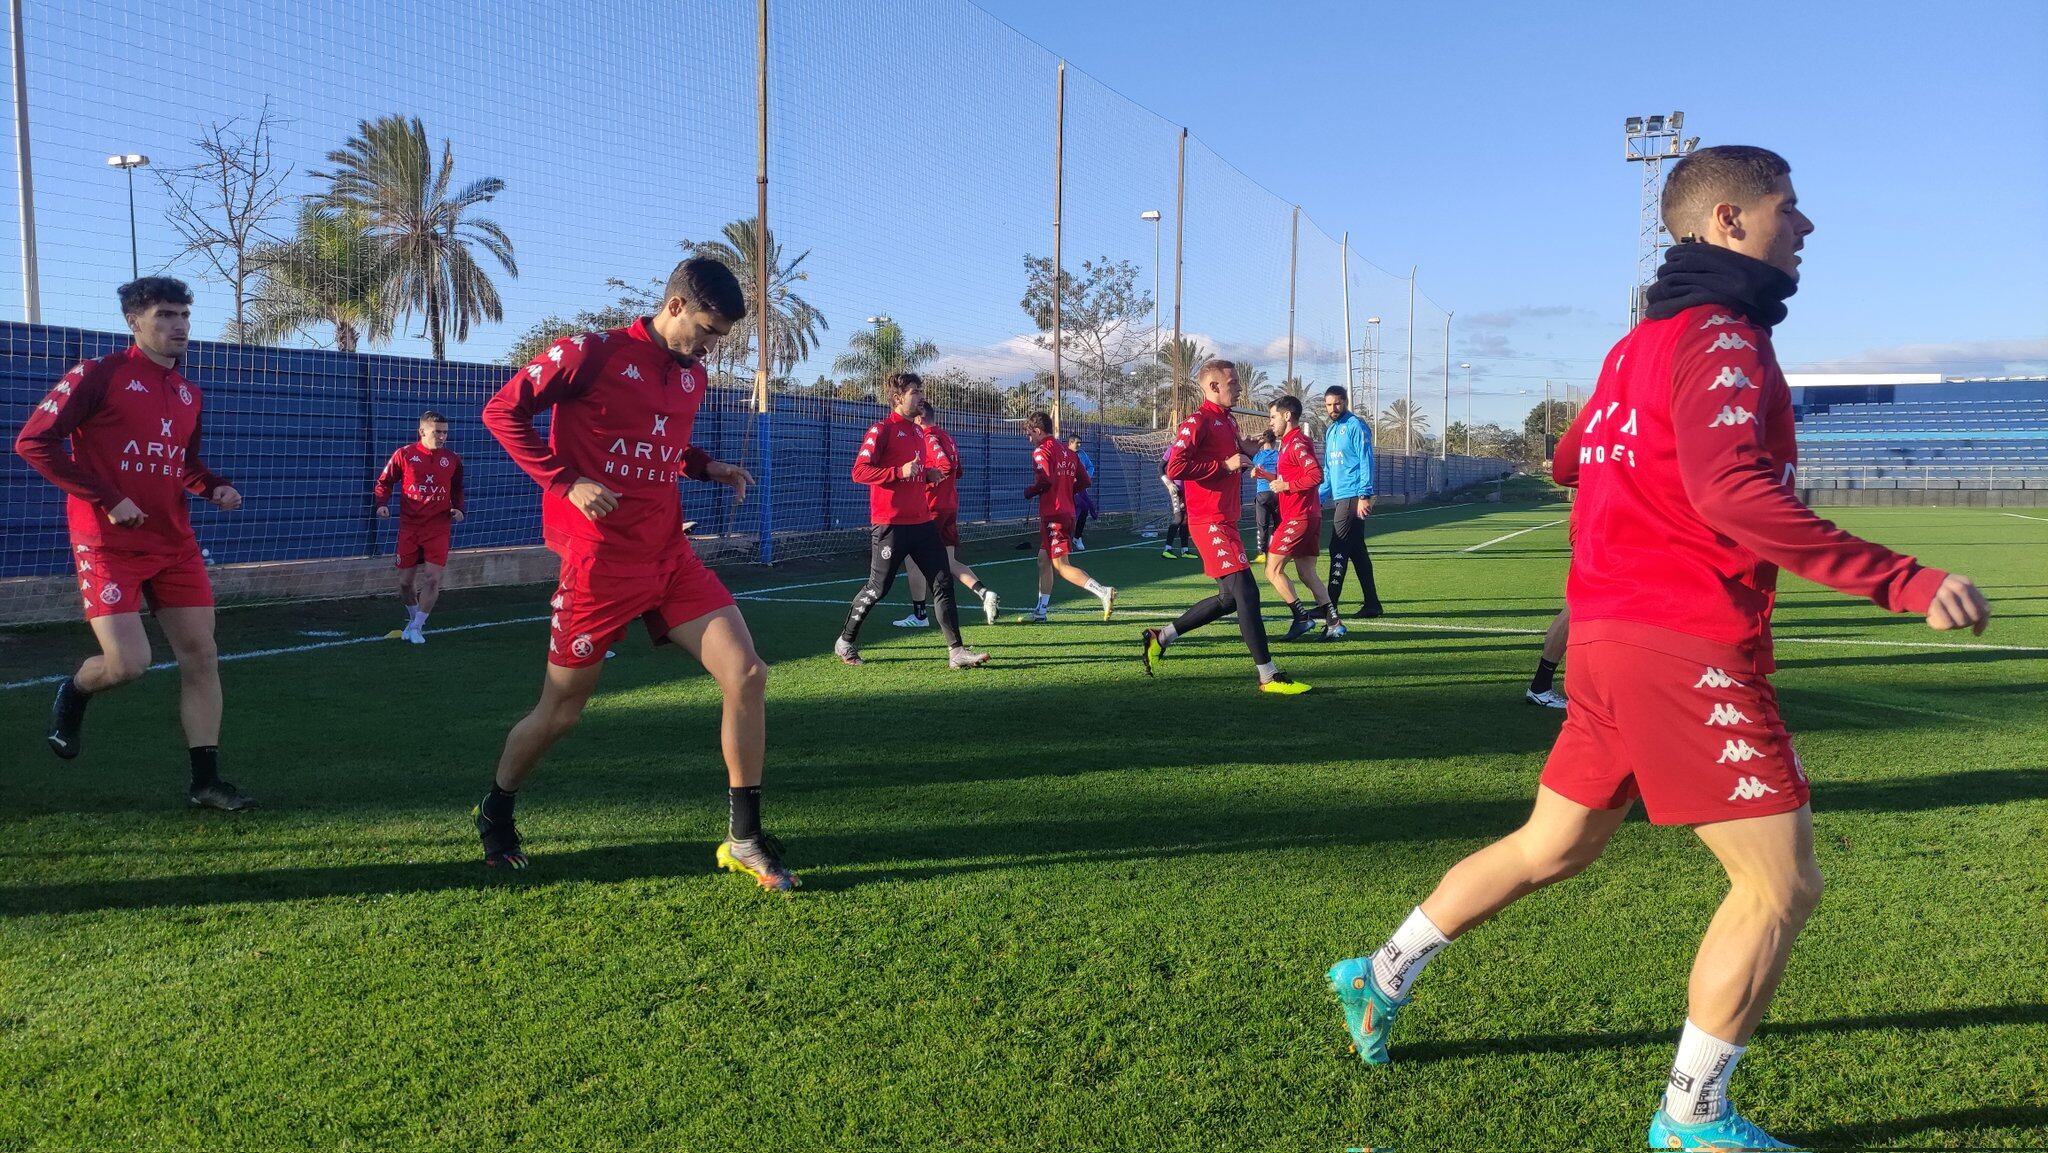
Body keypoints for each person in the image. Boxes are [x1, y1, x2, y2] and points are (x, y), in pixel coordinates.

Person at [1324, 145, 1991, 1150]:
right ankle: (1692, 1116)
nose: (1802, 227)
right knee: (1779, 883)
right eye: (1786, 208)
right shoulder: (1723, 338)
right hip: (1679, 643)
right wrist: (1902, 578)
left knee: (1556, 845)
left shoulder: (1632, 347)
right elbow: (1729, 492)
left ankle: (1377, 973)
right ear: (1725, 220)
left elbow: (1565, 456)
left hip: (1599, 638)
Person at [480, 257, 795, 889]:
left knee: (748, 674)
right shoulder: (588, 353)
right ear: (675, 306)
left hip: (669, 556)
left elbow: (664, 446)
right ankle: (497, 806)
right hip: (598, 562)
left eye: (721, 338)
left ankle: (744, 836)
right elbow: (501, 412)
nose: (710, 347)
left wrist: (709, 468)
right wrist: (566, 482)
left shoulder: (691, 377)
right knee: (561, 711)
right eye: (707, 331)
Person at [14, 276, 253, 810]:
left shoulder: (190, 392)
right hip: (106, 543)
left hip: (175, 543)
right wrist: (107, 498)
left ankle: (206, 782)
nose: (179, 326)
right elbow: (34, 442)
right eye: (165, 315)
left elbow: (183, 464)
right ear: (134, 322)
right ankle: (73, 693)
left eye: (184, 316)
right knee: (128, 664)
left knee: (202, 657)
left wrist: (213, 486)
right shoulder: (98, 374)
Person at [1141, 361, 1309, 695]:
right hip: (1208, 521)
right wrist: (1223, 464)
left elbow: (1235, 451)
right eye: (1233, 383)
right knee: (1248, 592)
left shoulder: (1227, 420)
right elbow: (1175, 465)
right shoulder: (1197, 421)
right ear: (1213, 386)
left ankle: (1160, 638)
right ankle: (1268, 675)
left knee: (1229, 599)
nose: (1239, 388)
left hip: (1226, 521)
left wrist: (1248, 447)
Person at [835, 373, 990, 668]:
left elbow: (913, 471)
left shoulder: (919, 433)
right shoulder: (881, 430)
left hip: (922, 523)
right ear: (897, 398)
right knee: (877, 588)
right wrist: (899, 472)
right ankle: (845, 641)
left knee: (943, 581)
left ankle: (956, 652)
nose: (920, 396)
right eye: (914, 392)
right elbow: (860, 472)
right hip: (890, 525)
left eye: (920, 391)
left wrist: (924, 475)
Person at [893, 400, 1002, 629]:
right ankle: (984, 592)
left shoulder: (928, 436)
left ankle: (920, 615)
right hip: (950, 504)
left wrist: (924, 477)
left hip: (931, 506)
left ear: (920, 418)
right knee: (950, 561)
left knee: (912, 559)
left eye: (913, 418)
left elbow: (945, 466)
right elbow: (958, 470)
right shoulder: (948, 437)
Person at [374, 410, 465, 643]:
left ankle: (416, 626)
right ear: (422, 431)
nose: (442, 436)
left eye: (445, 432)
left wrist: (460, 509)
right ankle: (414, 621)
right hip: (410, 527)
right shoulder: (404, 454)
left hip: (438, 527)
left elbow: (457, 489)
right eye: (437, 432)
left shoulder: (452, 459)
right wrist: (382, 504)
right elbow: (384, 482)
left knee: (432, 578)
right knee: (405, 584)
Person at [1262, 397, 1343, 641]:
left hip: (1299, 517)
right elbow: (1288, 480)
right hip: (1308, 515)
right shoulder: (1287, 444)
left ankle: (1301, 617)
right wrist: (1266, 475)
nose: (1271, 423)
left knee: (1272, 570)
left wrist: (1286, 484)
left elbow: (1316, 475)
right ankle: (1334, 623)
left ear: (1287, 416)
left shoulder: (1296, 442)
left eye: (1273, 417)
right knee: (1307, 573)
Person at [1022, 413, 1116, 623]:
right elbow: (1085, 481)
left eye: (1029, 434)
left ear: (1038, 431)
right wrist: (1066, 490)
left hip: (1053, 513)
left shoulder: (1041, 451)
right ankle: (1041, 611)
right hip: (1066, 511)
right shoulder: (1069, 451)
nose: (1029, 439)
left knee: (1061, 565)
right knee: (1043, 560)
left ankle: (1102, 591)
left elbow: (1045, 480)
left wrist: (1030, 491)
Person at [1319, 385, 1384, 617]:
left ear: (1345, 402)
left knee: (1337, 547)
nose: (1332, 408)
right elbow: (1328, 470)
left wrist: (1364, 495)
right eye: (1328, 404)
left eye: (1336, 403)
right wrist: (1318, 497)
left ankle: (1329, 606)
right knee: (1357, 552)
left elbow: (1366, 461)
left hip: (1353, 497)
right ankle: (1373, 605)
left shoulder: (1356, 426)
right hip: (1340, 497)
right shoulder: (1331, 430)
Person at [1250, 430, 1280, 562]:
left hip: (1262, 493)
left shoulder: (1258, 456)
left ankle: (1262, 553)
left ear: (1263, 442)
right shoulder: (1279, 455)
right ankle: (1278, 550)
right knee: (1279, 524)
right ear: (1274, 442)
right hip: (1277, 493)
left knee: (1262, 525)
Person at [1065, 433, 1098, 551]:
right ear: (1070, 443)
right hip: (1067, 489)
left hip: (1080, 488)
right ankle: (1066, 539)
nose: (1079, 445)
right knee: (1071, 514)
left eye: (1080, 443)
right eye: (1077, 443)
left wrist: (1086, 478)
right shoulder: (1064, 454)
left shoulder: (1082, 454)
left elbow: (1090, 467)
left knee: (1084, 509)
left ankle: (1077, 537)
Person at [1159, 444, 1193, 558]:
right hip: (1176, 489)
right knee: (1178, 518)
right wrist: (1168, 483)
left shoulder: (1191, 449)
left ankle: (1185, 550)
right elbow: (1160, 467)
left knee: (1185, 519)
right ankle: (1167, 549)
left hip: (1188, 490)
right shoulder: (1172, 449)